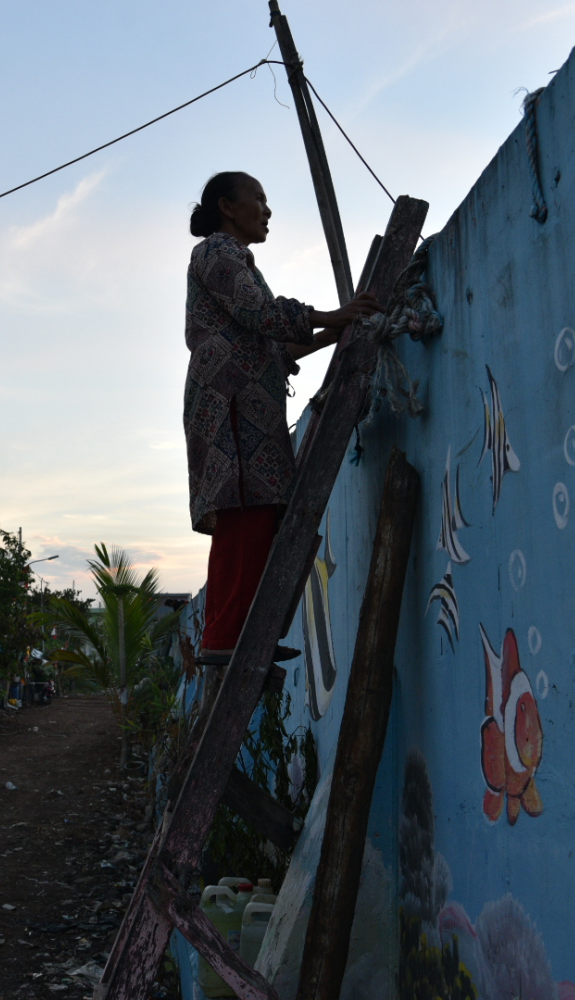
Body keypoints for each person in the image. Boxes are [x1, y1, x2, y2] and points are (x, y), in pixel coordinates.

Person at [183, 171, 380, 665]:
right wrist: (332, 315)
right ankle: (226, 636)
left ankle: (238, 634)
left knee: (255, 515)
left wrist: (339, 328)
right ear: (228, 207)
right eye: (260, 199)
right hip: (229, 405)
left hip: (244, 407)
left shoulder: (237, 261)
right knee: (244, 514)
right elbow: (260, 313)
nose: (267, 210)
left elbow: (276, 342)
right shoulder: (217, 253)